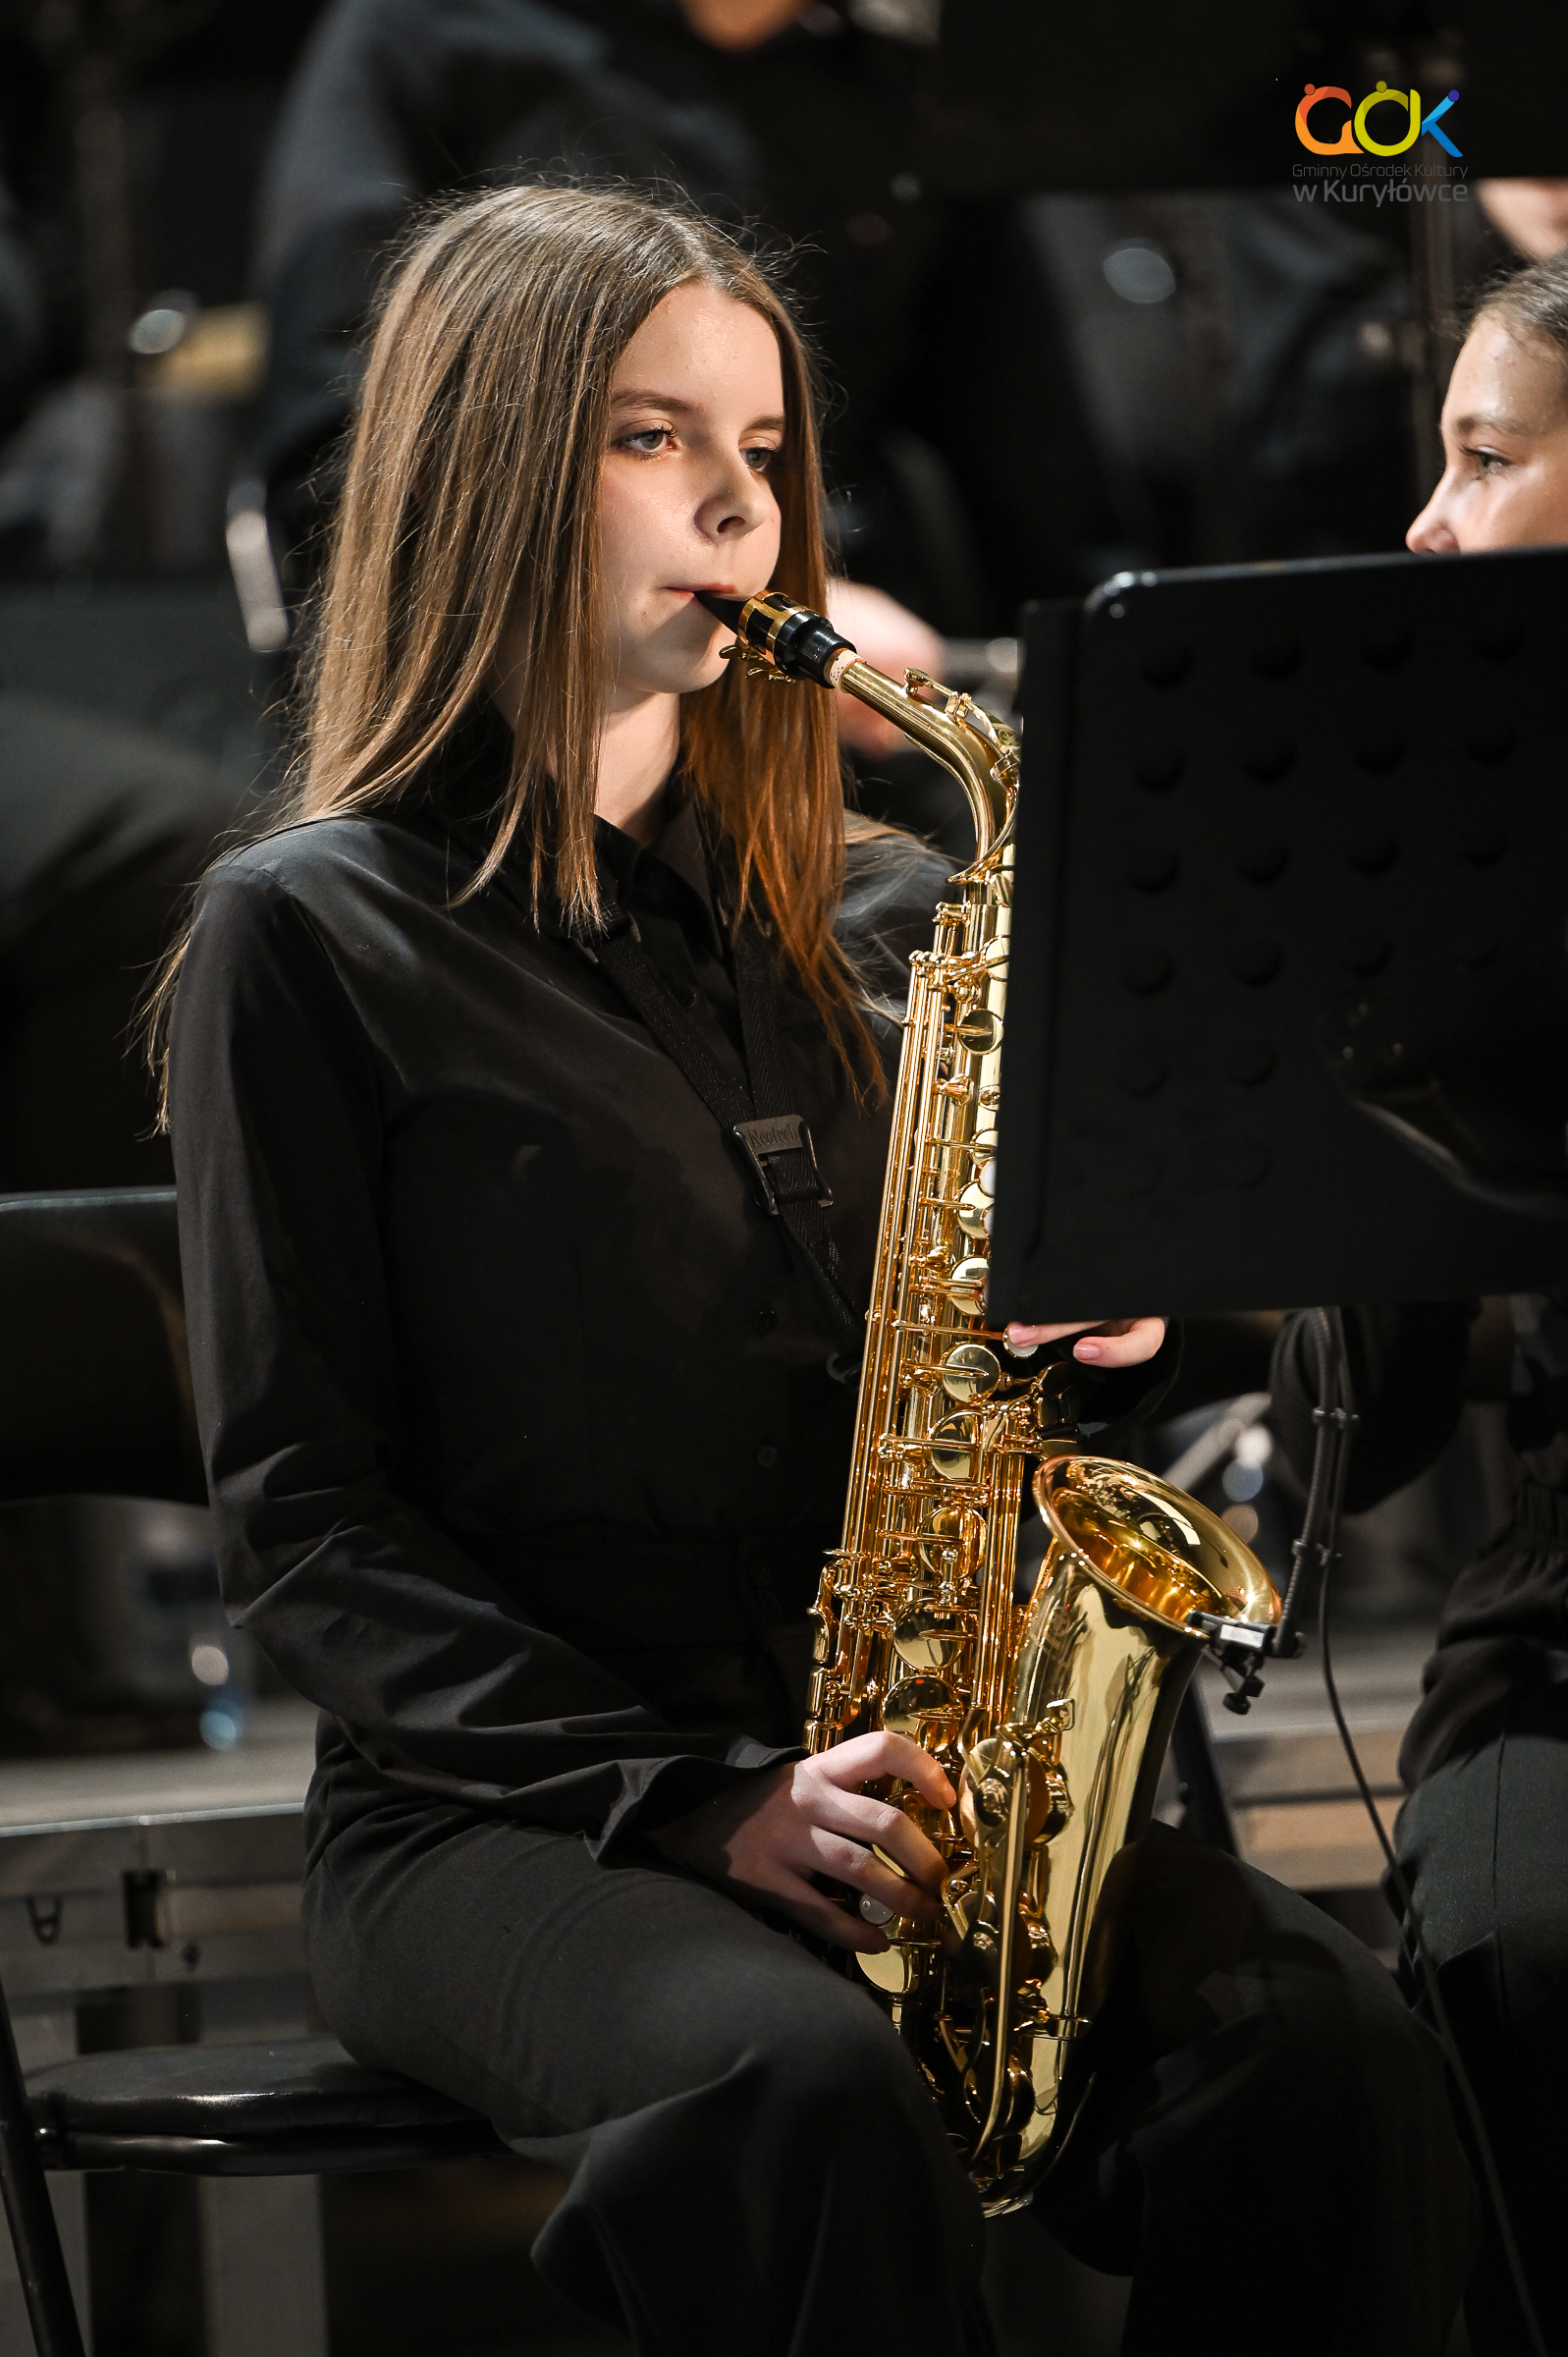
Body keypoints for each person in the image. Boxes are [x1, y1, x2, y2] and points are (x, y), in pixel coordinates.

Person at [163, 184, 1474, 2356]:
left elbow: (1007, 1384)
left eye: (764, 452)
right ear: (486, 470)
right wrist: (697, 1801)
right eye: (651, 438)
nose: (739, 511)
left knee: (1321, 2049)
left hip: (906, 1780)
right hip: (509, 1817)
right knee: (798, 2087)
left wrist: (1101, 1331)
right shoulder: (305, 934)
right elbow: (306, 1529)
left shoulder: (890, 909)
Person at [1275, 247, 1568, 2357]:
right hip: (1560, 1630)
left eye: (1485, 459)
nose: (1426, 524)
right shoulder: (1459, 850)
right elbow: (1358, 1430)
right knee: (1523, 1948)